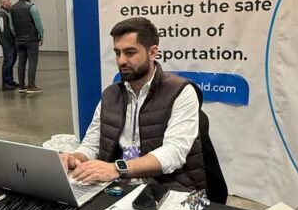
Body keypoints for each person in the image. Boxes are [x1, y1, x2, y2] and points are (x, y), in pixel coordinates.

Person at [60, 17, 205, 189]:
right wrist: (75, 158)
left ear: (152, 53)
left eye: (130, 52)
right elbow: (92, 144)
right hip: (118, 185)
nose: (121, 61)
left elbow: (173, 153)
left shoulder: (181, 91)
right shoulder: (111, 95)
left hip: (169, 187)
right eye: (117, 53)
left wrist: (117, 168)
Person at [10, 0, 44, 95]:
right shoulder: (31, 7)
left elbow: (11, 26)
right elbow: (38, 23)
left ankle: (21, 86)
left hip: (19, 39)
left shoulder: (12, 9)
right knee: (32, 62)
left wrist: (17, 36)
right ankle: (31, 86)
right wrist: (41, 35)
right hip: (31, 39)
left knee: (21, 62)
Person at [0, 0, 17, 91]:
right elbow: (2, 29)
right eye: (8, 0)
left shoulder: (7, 12)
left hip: (11, 41)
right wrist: (10, 40)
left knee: (12, 61)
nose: (10, 2)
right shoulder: (1, 14)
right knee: (8, 61)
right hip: (7, 41)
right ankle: (5, 83)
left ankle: (10, 80)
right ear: (3, 3)